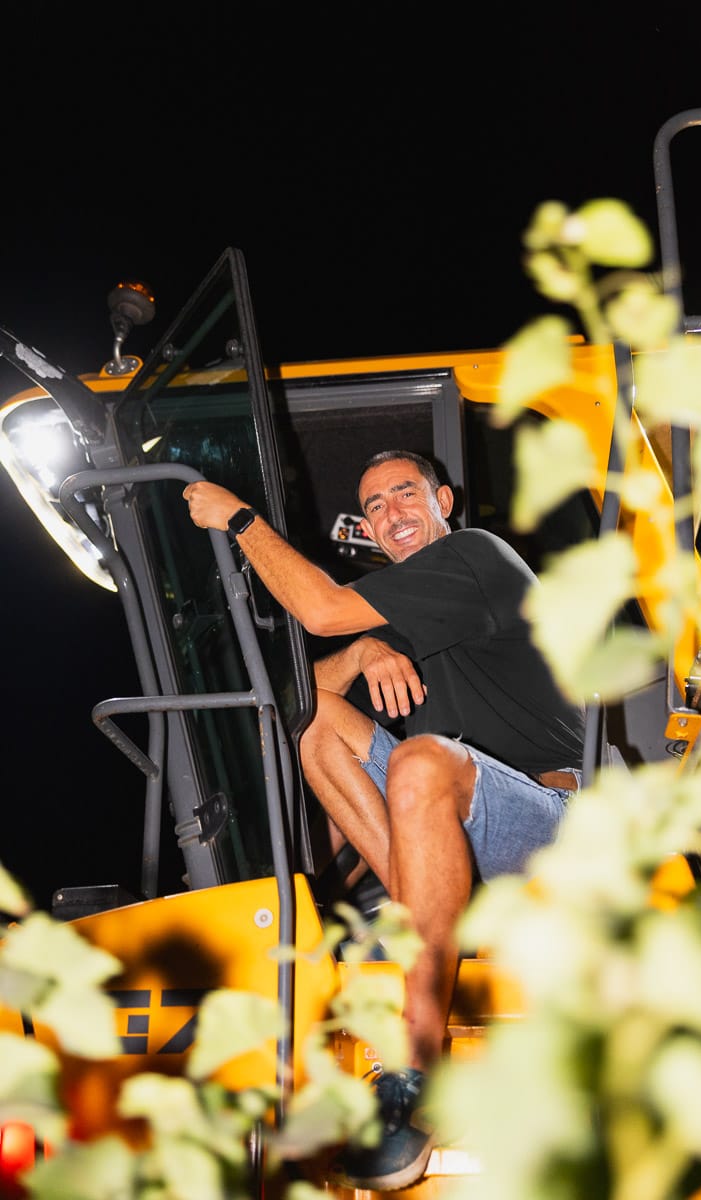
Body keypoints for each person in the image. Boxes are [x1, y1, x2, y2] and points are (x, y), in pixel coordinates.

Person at [182, 450, 585, 1191]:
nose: (391, 511)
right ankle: (414, 908)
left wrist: (239, 519)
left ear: (444, 499)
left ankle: (416, 1068)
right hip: (447, 836)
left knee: (423, 760)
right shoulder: (403, 620)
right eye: (373, 505)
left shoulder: (475, 558)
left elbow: (322, 609)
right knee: (315, 724)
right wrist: (365, 649)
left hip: (552, 824)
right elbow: (290, 697)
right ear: (367, 528)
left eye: (406, 493)